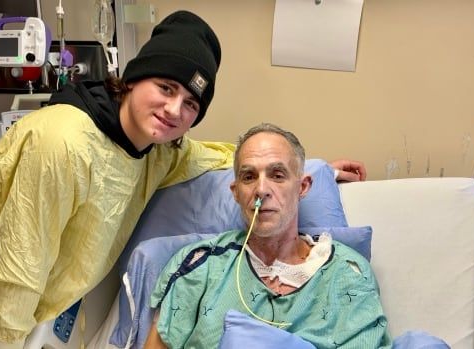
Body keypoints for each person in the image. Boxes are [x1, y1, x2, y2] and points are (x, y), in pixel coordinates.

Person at [0, 11, 365, 349]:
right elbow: (16, 275)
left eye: (191, 103)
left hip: (51, 307)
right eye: (165, 87)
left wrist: (314, 169)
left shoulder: (155, 150)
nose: (174, 110)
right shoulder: (62, 144)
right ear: (133, 78)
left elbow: (209, 154)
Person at [144, 123, 390, 349]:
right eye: (249, 177)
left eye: (277, 175)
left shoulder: (349, 273)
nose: (261, 190)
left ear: (302, 187)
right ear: (236, 192)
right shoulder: (201, 264)